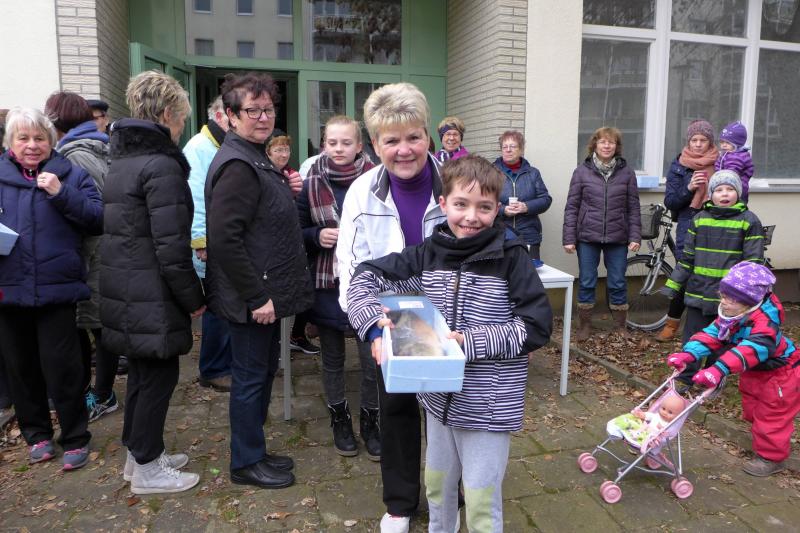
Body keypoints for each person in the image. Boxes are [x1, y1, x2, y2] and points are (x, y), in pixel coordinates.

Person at [346, 155, 553, 533]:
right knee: (438, 487)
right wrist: (374, 326)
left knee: (480, 500)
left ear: (497, 209)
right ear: (443, 204)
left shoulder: (512, 259)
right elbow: (366, 275)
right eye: (461, 204)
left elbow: (536, 326)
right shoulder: (430, 252)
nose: (471, 217)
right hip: (438, 402)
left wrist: (468, 342)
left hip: (487, 409)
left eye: (484, 207)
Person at [336, 82, 448, 533]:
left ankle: (449, 495)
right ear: (375, 143)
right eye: (392, 140)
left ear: (428, 135)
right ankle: (401, 504)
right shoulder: (362, 193)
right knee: (397, 412)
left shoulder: (456, 182)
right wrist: (372, 328)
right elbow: (351, 267)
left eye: (413, 137)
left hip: (450, 318)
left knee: (447, 416)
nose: (404, 150)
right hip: (390, 319)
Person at [205, 72, 314, 490]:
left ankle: (255, 451)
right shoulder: (237, 164)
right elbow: (225, 240)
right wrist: (256, 297)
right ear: (231, 115)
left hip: (263, 291)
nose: (263, 117)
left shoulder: (254, 156)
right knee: (250, 378)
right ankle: (245, 462)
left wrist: (284, 189)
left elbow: (259, 220)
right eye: (252, 110)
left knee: (263, 371)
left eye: (268, 109)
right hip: (252, 298)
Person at [100, 71, 206, 494]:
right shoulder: (161, 166)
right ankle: (147, 468)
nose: (181, 127)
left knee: (143, 376)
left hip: (129, 289)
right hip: (153, 293)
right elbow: (172, 247)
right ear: (166, 114)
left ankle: (140, 453)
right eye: (180, 118)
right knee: (158, 377)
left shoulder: (124, 160)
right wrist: (194, 298)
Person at [0, 107, 103, 470]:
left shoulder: (70, 174)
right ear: (9, 143)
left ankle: (75, 437)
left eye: (39, 138)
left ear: (51, 140)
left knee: (64, 369)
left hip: (57, 290)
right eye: (23, 138)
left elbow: (98, 218)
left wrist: (61, 194)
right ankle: (37, 435)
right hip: (8, 290)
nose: (32, 145)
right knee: (21, 368)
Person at [667, 261, 798, 476]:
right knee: (753, 408)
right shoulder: (733, 316)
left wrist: (718, 369)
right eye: (723, 296)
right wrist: (689, 354)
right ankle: (763, 440)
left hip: (782, 373)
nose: (724, 302)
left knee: (771, 415)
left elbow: (751, 349)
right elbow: (712, 334)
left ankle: (772, 458)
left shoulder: (765, 324)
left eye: (731, 299)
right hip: (756, 371)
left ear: (749, 301)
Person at [296, 115, 378, 459]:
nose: (339, 149)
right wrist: (317, 235)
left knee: (371, 360)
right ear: (323, 145)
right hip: (327, 283)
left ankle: (371, 419)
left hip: (368, 282)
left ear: (359, 145)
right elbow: (297, 229)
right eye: (332, 143)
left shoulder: (378, 180)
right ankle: (339, 418)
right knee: (332, 359)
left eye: (346, 142)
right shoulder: (310, 182)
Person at [44, 91, 125, 422]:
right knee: (96, 325)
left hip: (92, 253)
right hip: (100, 251)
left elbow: (93, 210)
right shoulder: (96, 146)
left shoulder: (76, 155)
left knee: (96, 325)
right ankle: (96, 391)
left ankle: (102, 395)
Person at [661, 170, 765, 385]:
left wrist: (748, 294)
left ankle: (712, 378)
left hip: (729, 299)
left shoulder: (749, 221)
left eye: (730, 189)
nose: (724, 194)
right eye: (719, 190)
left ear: (738, 193)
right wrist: (673, 284)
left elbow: (753, 263)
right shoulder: (699, 219)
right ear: (710, 194)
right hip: (698, 293)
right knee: (693, 339)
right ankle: (685, 378)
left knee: (723, 340)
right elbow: (687, 258)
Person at [563, 127, 641, 340]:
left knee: (618, 282)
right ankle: (584, 326)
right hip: (587, 237)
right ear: (595, 145)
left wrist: (635, 236)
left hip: (618, 237)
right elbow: (572, 207)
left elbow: (633, 207)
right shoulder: (581, 172)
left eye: (611, 142)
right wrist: (569, 238)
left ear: (617, 146)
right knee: (587, 281)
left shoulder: (627, 173)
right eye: (603, 142)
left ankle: (620, 327)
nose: (607, 146)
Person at [184, 95, 233, 392]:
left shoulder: (220, 145)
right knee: (217, 306)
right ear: (218, 116)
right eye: (231, 115)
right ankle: (213, 369)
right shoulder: (199, 148)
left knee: (225, 304)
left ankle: (223, 363)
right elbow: (195, 200)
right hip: (209, 245)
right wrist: (201, 242)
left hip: (222, 241)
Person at [657, 120, 719, 342]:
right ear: (688, 141)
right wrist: (689, 187)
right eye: (694, 140)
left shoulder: (721, 163)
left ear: (710, 142)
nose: (698, 144)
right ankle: (671, 325)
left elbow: (734, 191)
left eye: (703, 140)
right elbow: (671, 201)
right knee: (685, 272)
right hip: (689, 223)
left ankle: (712, 328)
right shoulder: (679, 165)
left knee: (712, 274)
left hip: (715, 223)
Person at [266, 133, 320, 355]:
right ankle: (275, 344)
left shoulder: (294, 175)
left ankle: (295, 336)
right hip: (272, 246)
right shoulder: (264, 174)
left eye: (286, 150)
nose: (283, 154)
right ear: (268, 152)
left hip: (293, 241)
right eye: (278, 150)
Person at [494, 130, 552, 262]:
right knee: (501, 272)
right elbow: (482, 201)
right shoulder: (491, 171)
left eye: (513, 146)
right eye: (504, 147)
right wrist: (502, 210)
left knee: (529, 271)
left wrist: (526, 207)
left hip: (529, 235)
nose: (508, 150)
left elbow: (545, 199)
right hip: (499, 233)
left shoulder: (533, 173)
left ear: (521, 149)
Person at [715, 121, 753, 203]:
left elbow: (731, 174)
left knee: (736, 206)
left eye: (727, 143)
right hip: (730, 187)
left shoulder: (738, 157)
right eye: (722, 142)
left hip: (738, 189)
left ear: (737, 144)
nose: (724, 145)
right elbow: (719, 167)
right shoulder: (727, 154)